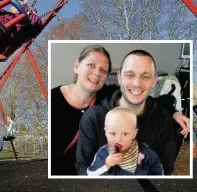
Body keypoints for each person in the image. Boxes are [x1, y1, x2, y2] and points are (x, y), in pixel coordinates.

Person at [51, 45, 189, 176]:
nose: (136, 83)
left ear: (154, 81)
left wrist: (173, 112)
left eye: (145, 76)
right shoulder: (89, 113)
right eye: (91, 65)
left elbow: (164, 170)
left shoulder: (161, 119)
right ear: (120, 77)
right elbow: (82, 168)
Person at [87, 107, 163, 176]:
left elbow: (158, 174)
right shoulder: (103, 153)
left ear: (134, 134)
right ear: (106, 132)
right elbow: (91, 175)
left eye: (125, 134)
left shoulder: (146, 153)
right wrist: (107, 164)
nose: (118, 139)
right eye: (113, 133)